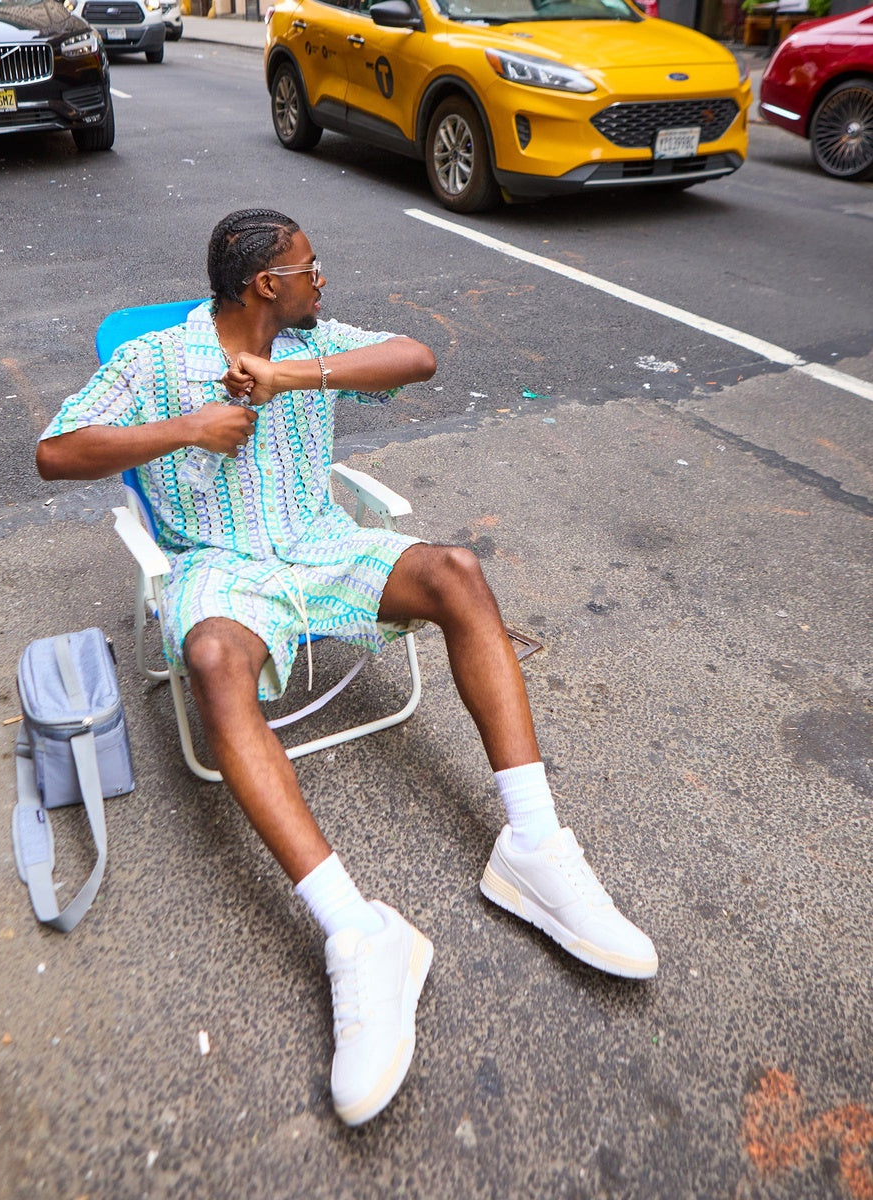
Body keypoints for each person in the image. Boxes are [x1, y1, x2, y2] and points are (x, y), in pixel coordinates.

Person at [36, 208, 658, 1128]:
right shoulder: (154, 361)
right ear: (265, 285)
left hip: (323, 549)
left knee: (456, 570)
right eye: (307, 268)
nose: (321, 278)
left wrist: (290, 376)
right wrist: (187, 430)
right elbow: (55, 453)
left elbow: (418, 359)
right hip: (225, 567)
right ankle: (358, 935)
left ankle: (532, 846)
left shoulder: (315, 341)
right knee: (210, 654)